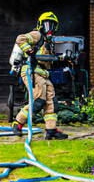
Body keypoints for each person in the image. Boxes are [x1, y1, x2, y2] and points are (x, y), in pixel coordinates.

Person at [11, 12, 68, 141]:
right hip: (32, 71)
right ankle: (18, 123)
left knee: (51, 102)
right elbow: (20, 39)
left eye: (52, 25)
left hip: (44, 74)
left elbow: (48, 60)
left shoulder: (49, 42)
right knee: (38, 101)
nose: (50, 28)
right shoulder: (37, 35)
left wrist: (61, 58)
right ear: (40, 25)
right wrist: (28, 50)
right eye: (47, 24)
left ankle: (51, 130)